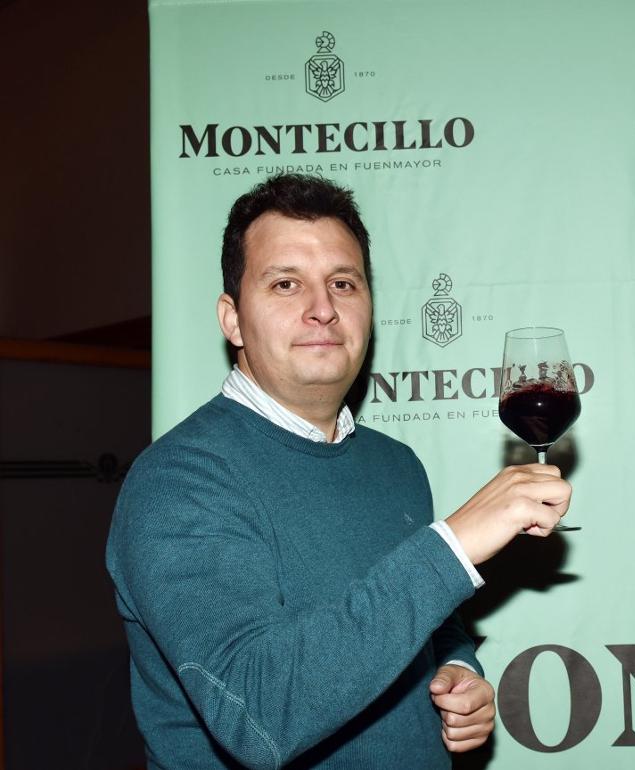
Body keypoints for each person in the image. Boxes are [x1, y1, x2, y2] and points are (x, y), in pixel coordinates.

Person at [106, 173, 571, 769]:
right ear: (232, 319)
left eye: (343, 283)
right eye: (285, 284)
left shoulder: (395, 464)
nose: (322, 309)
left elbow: (421, 619)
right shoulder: (177, 483)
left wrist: (458, 668)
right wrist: (452, 546)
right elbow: (258, 715)